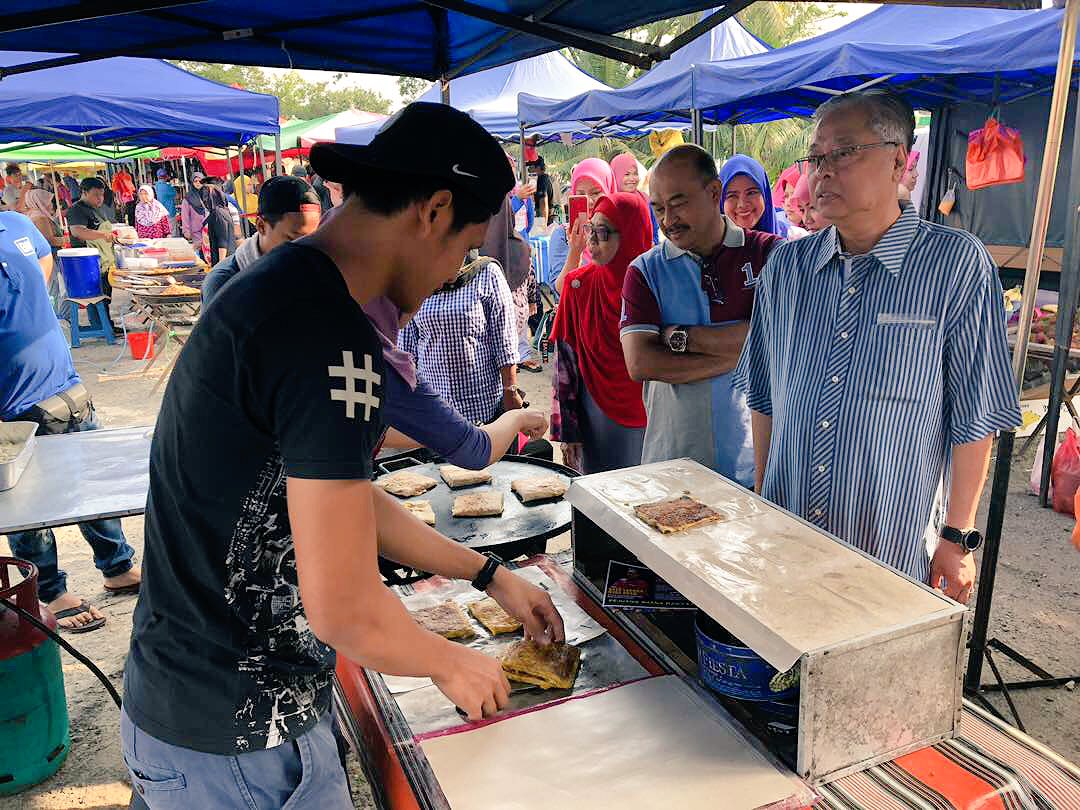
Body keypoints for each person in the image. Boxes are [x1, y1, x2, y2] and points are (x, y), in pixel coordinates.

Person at [121, 102, 564, 807]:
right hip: (235, 737)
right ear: (434, 211)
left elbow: (345, 501)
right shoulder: (328, 333)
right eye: (463, 248)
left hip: (194, 705)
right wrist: (449, 662)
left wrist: (488, 573)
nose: (454, 272)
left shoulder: (287, 291)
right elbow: (343, 608)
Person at [733, 90, 1021, 599]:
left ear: (897, 161)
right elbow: (764, 395)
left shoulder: (954, 265)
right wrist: (761, 496)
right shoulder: (787, 269)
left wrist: (957, 537)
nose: (823, 171)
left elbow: (976, 413)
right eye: (815, 157)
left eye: (844, 152)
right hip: (787, 532)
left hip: (890, 547)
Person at [1, 210, 140, 633]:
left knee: (92, 482)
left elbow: (43, 259)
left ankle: (117, 566)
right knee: (31, 507)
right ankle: (50, 590)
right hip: (14, 407)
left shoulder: (16, 225)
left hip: (65, 384)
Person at [620, 144, 782, 487]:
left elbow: (783, 340)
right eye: (658, 208)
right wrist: (745, 355)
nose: (668, 220)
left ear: (713, 193)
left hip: (752, 468)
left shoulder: (770, 255)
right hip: (670, 467)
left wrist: (680, 337)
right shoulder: (645, 271)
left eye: (678, 203)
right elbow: (642, 363)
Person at [365, 295, 549, 468]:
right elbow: (475, 450)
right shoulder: (379, 364)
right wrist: (518, 418)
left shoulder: (369, 355)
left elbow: (382, 433)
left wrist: (449, 432)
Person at [550, 192, 652, 474]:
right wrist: (568, 431)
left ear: (631, 234)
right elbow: (564, 366)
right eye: (590, 229)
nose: (591, 240)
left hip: (652, 412)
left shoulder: (656, 288)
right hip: (593, 416)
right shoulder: (577, 286)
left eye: (603, 232)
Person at [399, 249, 523, 426]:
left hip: (482, 404)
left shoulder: (487, 273)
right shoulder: (417, 279)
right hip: (435, 404)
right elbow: (406, 350)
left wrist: (510, 390)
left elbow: (505, 341)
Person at [202, 176, 322, 306]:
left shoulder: (317, 272)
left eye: (311, 239)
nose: (305, 250)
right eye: (293, 239)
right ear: (261, 226)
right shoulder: (223, 284)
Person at [550, 158, 616, 295]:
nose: (589, 201)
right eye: (580, 195)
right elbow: (561, 290)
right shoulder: (563, 234)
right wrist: (575, 252)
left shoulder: (620, 229)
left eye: (596, 193)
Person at [719, 154, 786, 237]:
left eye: (751, 193)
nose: (742, 205)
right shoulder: (708, 243)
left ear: (765, 195)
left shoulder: (790, 240)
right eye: (732, 196)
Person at [610, 152, 659, 244]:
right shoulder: (608, 204)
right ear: (616, 174)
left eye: (635, 174)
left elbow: (655, 234)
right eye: (627, 174)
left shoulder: (646, 200)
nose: (632, 179)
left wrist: (651, 244)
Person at [200, 178, 236, 263]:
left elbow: (222, 242)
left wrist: (220, 265)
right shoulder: (221, 211)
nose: (203, 202)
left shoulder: (218, 213)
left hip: (224, 262)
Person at [180, 172, 209, 257]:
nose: (198, 183)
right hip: (196, 231)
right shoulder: (188, 198)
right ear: (192, 183)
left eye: (200, 181)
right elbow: (184, 216)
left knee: (209, 252)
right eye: (195, 181)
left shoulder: (208, 194)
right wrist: (186, 231)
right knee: (200, 251)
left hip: (209, 229)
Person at [527, 156, 556, 226]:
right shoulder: (546, 178)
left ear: (538, 167)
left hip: (544, 220)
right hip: (548, 219)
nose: (528, 169)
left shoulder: (541, 180)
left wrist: (542, 226)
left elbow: (543, 204)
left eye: (531, 166)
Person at [153, 169, 177, 234]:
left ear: (158, 177)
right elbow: (175, 194)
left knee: (165, 231)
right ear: (166, 176)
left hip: (161, 212)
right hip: (170, 211)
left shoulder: (156, 186)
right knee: (172, 231)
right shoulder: (168, 187)